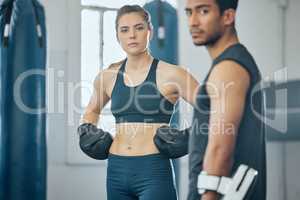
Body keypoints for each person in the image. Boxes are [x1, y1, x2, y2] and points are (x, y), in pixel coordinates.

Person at [79, 5, 199, 200]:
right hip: (116, 171)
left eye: (139, 27)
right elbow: (92, 111)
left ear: (149, 31)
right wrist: (86, 130)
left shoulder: (174, 74)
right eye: (124, 30)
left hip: (153, 171)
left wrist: (192, 137)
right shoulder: (107, 76)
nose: (132, 35)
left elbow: (210, 109)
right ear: (117, 36)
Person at [184, 0, 266, 200]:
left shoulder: (228, 68)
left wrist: (209, 195)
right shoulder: (231, 64)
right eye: (188, 12)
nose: (193, 22)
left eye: (203, 11)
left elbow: (221, 150)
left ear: (228, 16)